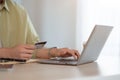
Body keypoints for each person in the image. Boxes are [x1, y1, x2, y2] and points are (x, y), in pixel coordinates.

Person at [0, 0, 80, 61]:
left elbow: (33, 49)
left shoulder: (19, 11)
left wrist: (56, 52)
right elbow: (12, 53)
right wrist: (8, 53)